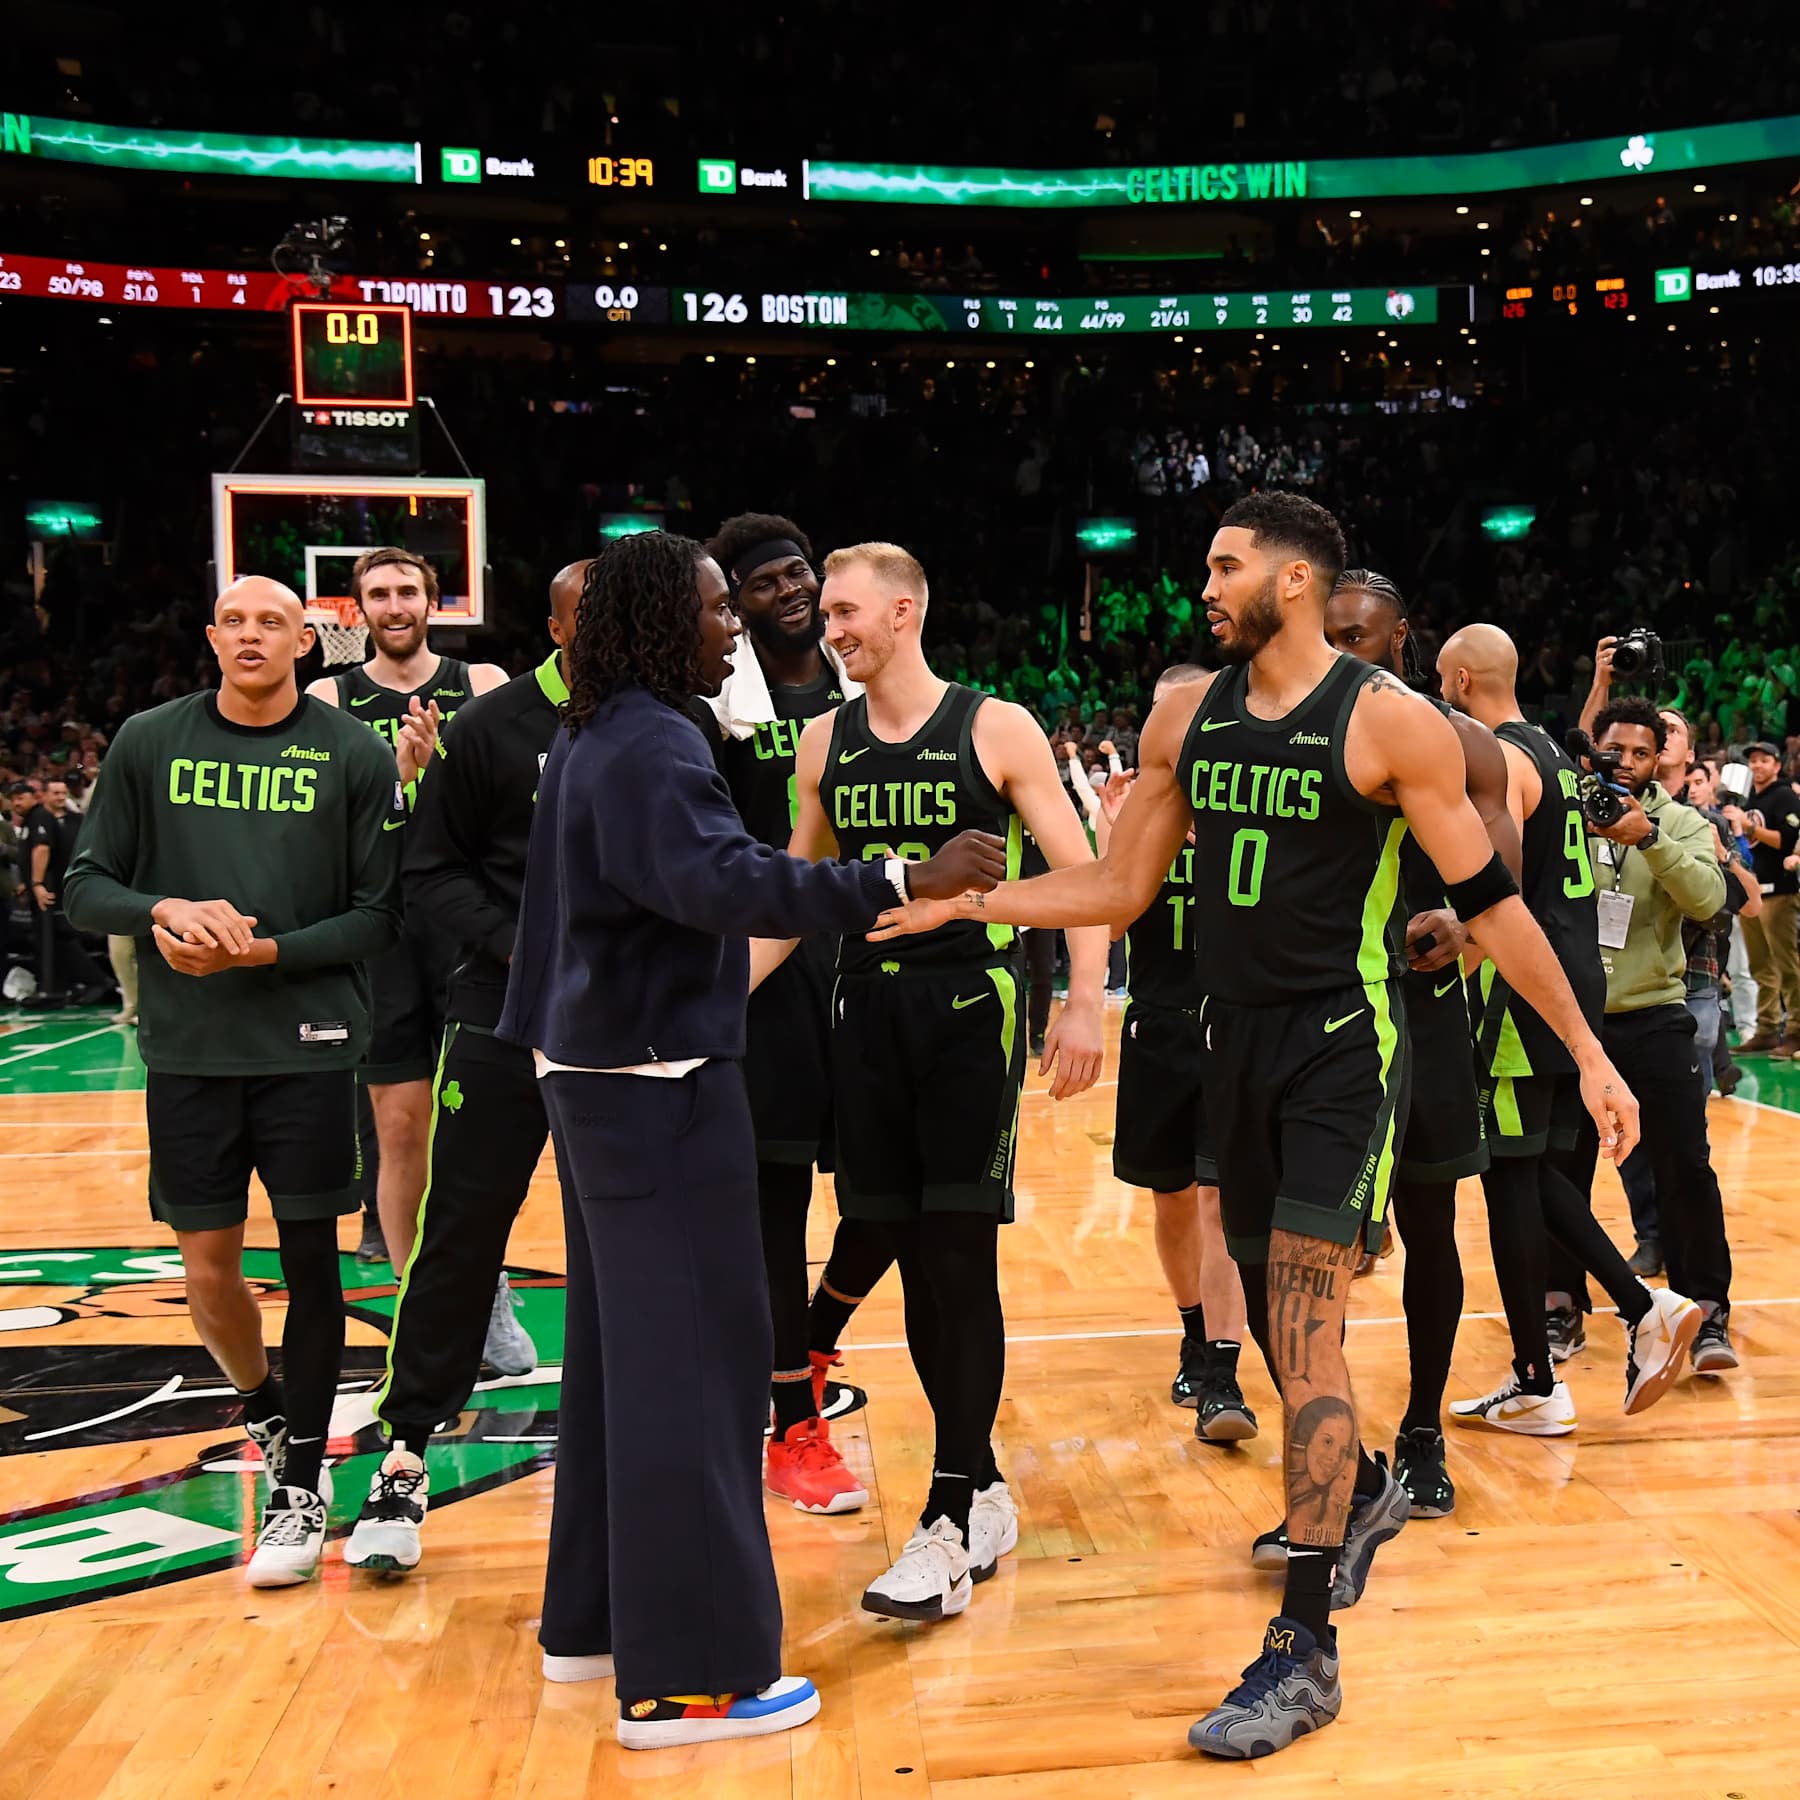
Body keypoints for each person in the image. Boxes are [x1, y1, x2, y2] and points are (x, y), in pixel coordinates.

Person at [869, 494, 1641, 1761]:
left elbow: (1493, 900)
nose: (1206, 586)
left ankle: (1303, 1651)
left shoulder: (1389, 723)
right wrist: (977, 907)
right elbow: (1121, 886)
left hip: (1345, 1048)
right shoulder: (1187, 716)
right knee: (1289, 1343)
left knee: (1306, 1312)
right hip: (1230, 1039)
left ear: (1293, 583)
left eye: (1226, 567)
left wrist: (1589, 1050)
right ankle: (1366, 1489)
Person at [496, 531, 1005, 1749]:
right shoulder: (655, 739)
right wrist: (903, 877)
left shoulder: (595, 731)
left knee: (622, 1369)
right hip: (656, 1084)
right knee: (696, 1374)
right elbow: (728, 882)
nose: (736, 628)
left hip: (592, 1068)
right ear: (670, 617)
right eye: (719, 608)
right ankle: (695, 1678)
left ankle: (596, 1622)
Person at [767, 541, 1106, 1627]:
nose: (832, 626)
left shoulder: (992, 726)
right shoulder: (825, 741)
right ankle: (984, 1485)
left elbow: (1083, 875)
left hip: (970, 1008)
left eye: (848, 609)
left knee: (956, 1252)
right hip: (862, 1009)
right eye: (827, 611)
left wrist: (1085, 998)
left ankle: (951, 1515)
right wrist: (710, 995)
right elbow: (792, 894)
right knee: (908, 1250)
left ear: (906, 609)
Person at [62, 576, 410, 1586]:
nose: (254, 636)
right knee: (207, 1268)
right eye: (237, 621)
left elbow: (377, 919)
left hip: (306, 1043)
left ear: (310, 641)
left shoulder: (350, 753)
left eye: (274, 623)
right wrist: (167, 907)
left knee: (312, 1267)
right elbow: (86, 886)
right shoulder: (147, 742)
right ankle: (264, 1409)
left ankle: (302, 1485)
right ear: (212, 637)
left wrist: (255, 954)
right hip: (188, 1049)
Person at [344, 560, 588, 1575]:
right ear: (557, 624)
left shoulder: (667, 726)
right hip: (501, 1008)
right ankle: (404, 1455)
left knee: (617, 1231)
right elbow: (430, 869)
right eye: (592, 614)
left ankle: (639, 1447)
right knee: (461, 1229)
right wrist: (514, 946)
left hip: (622, 1028)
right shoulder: (492, 725)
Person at [1435, 627, 1699, 1436]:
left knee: (1514, 1175)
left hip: (1525, 984)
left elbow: (1496, 890)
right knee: (1526, 1172)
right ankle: (1542, 1373)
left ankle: (1630, 1312)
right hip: (1576, 971)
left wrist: (1450, 947)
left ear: (1461, 678)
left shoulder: (1501, 762)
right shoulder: (1550, 750)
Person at [692, 513, 891, 1517]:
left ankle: (814, 1336)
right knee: (775, 1205)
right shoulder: (718, 700)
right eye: (765, 582)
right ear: (733, 600)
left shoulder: (869, 684)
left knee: (894, 1188)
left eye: (801, 572)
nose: (793, 591)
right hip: (767, 964)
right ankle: (791, 1426)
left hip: (871, 956)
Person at [1324, 572, 1519, 1519]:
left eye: (1358, 635)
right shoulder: (1293, 724)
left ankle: (1425, 1429)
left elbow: (1498, 839)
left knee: (1433, 1223)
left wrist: (1463, 921)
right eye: (1331, 633)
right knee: (1304, 1241)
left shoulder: (1450, 735)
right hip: (1326, 1010)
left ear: (1402, 638)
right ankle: (1332, 1448)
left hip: (1424, 1006)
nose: (1341, 648)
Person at [304, 550, 527, 1374]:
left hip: (471, 927)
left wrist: (442, 777)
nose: (394, 605)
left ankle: (487, 1283)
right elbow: (324, 828)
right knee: (400, 1130)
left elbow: (508, 802)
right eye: (377, 594)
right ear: (354, 609)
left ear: (436, 601)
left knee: (485, 1127)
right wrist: (396, 782)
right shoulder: (330, 698)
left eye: (407, 591)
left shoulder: (484, 684)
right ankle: (421, 1307)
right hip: (385, 931)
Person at [1095, 666, 1255, 1442]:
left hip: (1234, 1025)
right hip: (1157, 1025)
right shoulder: (1141, 819)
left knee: (1221, 1196)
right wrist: (1108, 833)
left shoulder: (1244, 802)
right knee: (1172, 1198)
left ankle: (1222, 1369)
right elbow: (1108, 926)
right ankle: (1194, 1331)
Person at [1553, 698, 1736, 1373]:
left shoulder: (1682, 821)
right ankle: (1559, 1305)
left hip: (1653, 1016)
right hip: (1572, 1023)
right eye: (1616, 750)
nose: (1626, 763)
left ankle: (1706, 1312)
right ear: (1595, 749)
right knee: (1559, 1170)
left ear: (1661, 757)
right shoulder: (1563, 811)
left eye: (1640, 752)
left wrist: (1648, 839)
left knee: (1684, 1168)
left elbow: (1711, 902)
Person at [1616, 747, 1760, 1275]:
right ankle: (1651, 1234)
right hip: (1628, 989)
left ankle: (1689, 1269)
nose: (1628, 755)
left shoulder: (1702, 822)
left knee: (1682, 1143)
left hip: (1689, 986)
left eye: (1657, 738)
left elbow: (1743, 902)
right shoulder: (1592, 811)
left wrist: (1721, 851)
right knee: (1631, 1140)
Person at [1723, 740, 1800, 1055]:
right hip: (1751, 892)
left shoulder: (1784, 795)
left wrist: (1749, 828)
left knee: (1786, 964)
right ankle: (1767, 1027)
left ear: (1776, 765)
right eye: (1752, 761)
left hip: (1780, 892)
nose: (1756, 766)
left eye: (1763, 760)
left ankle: (1795, 1030)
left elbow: (1787, 840)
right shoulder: (1747, 797)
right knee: (1760, 966)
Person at [24, 776, 112, 1006]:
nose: (61, 797)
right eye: (56, 793)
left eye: (64, 793)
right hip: (60, 887)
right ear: (43, 795)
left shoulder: (57, 819)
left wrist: (36, 883)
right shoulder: (47, 818)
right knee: (57, 938)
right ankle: (67, 985)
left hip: (62, 888)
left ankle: (86, 983)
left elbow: (42, 850)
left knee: (61, 936)